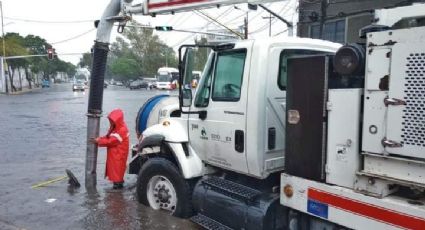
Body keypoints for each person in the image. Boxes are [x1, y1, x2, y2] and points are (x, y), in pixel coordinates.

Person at [91, 109, 129, 189]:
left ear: (117, 120)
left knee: (117, 172)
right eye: (110, 120)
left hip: (118, 155)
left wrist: (98, 141)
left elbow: (111, 141)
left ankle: (118, 187)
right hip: (115, 154)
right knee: (116, 172)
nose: (110, 122)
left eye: (112, 120)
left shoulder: (122, 130)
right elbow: (108, 137)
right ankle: (118, 187)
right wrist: (100, 138)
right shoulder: (116, 127)